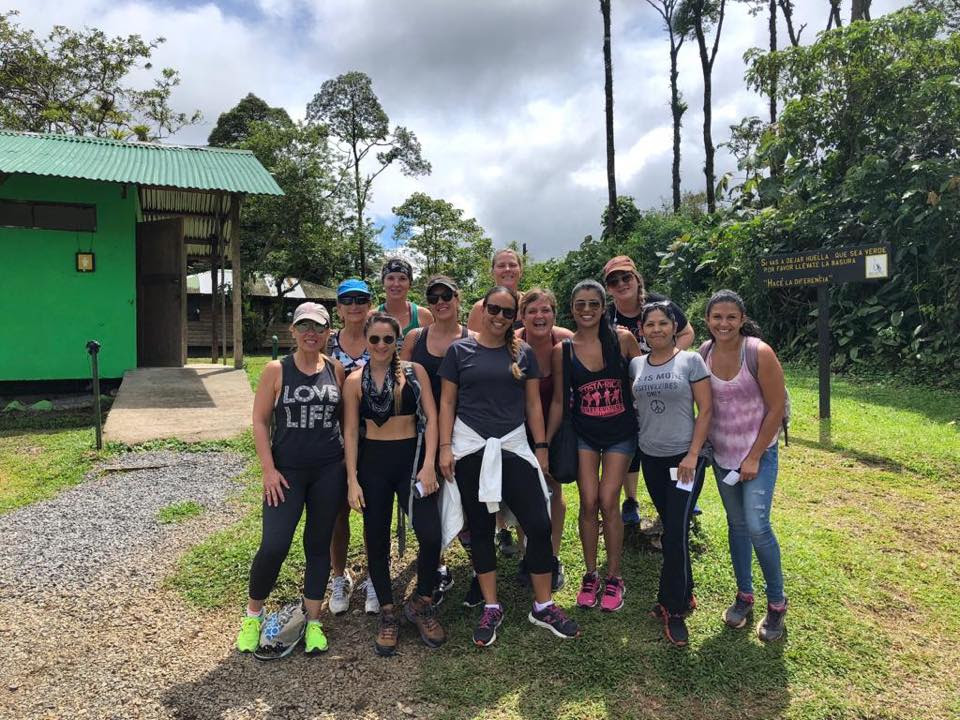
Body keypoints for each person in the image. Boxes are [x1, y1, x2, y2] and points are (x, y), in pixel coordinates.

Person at [439, 286, 580, 646]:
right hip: (470, 446)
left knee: (539, 523)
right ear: (483, 309)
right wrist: (444, 447)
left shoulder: (523, 352)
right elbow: (448, 403)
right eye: (494, 309)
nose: (499, 317)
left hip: (514, 445)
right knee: (481, 528)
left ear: (513, 316)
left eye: (507, 312)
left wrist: (542, 448)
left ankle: (543, 604)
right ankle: (491, 605)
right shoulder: (459, 351)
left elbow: (533, 405)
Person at [235, 302, 345, 655]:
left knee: (318, 544)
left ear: (328, 332)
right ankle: (253, 615)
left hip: (329, 469)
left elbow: (343, 420)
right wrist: (268, 470)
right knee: (274, 544)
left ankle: (313, 621)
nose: (311, 333)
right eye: (304, 326)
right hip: (286, 473)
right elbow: (259, 421)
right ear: (293, 331)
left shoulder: (336, 369)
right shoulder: (276, 369)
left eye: (318, 327)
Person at [343, 313, 446, 656]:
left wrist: (429, 465)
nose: (381, 345)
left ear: (397, 341)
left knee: (430, 534)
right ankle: (388, 611)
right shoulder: (354, 381)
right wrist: (352, 479)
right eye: (374, 339)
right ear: (366, 341)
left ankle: (421, 602)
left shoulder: (414, 373)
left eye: (388, 339)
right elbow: (350, 432)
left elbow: (432, 418)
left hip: (412, 462)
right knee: (376, 539)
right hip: (373, 464)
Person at [548, 280, 640, 613]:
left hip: (620, 432)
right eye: (580, 304)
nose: (587, 310)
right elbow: (559, 401)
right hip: (584, 433)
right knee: (588, 502)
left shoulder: (622, 340)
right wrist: (545, 444)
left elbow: (642, 382)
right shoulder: (564, 350)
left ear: (603, 307)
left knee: (608, 499)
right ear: (572, 309)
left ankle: (614, 576)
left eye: (593, 304)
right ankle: (590, 574)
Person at [702, 289, 788, 642]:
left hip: (759, 454)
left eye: (731, 317)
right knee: (736, 525)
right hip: (723, 456)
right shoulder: (704, 353)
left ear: (742, 320)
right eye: (717, 317)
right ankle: (744, 595)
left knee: (757, 526)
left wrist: (753, 456)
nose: (723, 324)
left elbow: (776, 407)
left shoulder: (758, 352)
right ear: (707, 320)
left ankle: (777, 603)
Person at [630, 301, 712, 646]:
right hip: (651, 458)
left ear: (674, 326)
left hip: (685, 460)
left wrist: (693, 455)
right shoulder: (636, 364)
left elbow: (706, 409)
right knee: (672, 525)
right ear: (642, 330)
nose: (657, 329)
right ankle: (685, 592)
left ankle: (673, 608)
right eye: (650, 324)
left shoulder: (690, 361)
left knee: (675, 533)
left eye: (663, 323)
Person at [602, 255, 695, 528]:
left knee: (674, 439)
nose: (622, 284)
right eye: (614, 281)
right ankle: (631, 499)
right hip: (628, 389)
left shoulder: (659, 304)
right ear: (608, 288)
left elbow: (687, 332)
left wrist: (667, 359)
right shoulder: (606, 316)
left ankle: (684, 493)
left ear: (637, 278)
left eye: (626, 277)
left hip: (666, 384)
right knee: (631, 445)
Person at [400, 275, 471, 607]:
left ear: (458, 298)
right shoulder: (415, 338)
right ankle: (438, 564)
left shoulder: (474, 338)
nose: (440, 302)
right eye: (433, 297)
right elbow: (399, 379)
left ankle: (478, 565)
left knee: (469, 500)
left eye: (446, 295)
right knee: (430, 501)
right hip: (422, 433)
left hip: (465, 431)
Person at [466, 248, 525, 557]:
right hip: (488, 399)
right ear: (492, 271)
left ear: (521, 269)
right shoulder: (480, 307)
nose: (507, 269)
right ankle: (501, 529)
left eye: (512, 264)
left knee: (522, 476)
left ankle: (525, 540)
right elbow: (476, 348)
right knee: (491, 472)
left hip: (521, 389)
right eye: (501, 265)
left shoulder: (528, 302)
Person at [516, 288, 573, 590]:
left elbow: (560, 399)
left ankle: (552, 555)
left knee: (552, 488)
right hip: (517, 426)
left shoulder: (564, 342)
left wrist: (545, 443)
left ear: (554, 313)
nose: (539, 316)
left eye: (545, 310)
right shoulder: (512, 344)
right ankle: (526, 555)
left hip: (555, 421)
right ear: (522, 316)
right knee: (521, 493)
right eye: (532, 311)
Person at [325, 278, 374, 615]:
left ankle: (374, 575)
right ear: (339, 308)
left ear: (369, 304)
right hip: (334, 437)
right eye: (347, 301)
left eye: (360, 299)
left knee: (374, 510)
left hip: (376, 437)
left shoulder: (381, 337)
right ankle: (339, 576)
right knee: (337, 511)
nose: (354, 306)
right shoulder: (326, 343)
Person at [377, 257, 434, 347]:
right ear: (383, 282)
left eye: (402, 278)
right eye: (390, 278)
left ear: (410, 283)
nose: (396, 284)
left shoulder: (423, 316)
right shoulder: (371, 316)